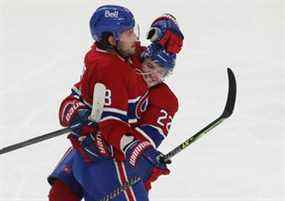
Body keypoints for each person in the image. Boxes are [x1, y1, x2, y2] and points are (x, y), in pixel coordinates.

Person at [48, 4, 184, 201]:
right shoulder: (123, 61)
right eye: (151, 65)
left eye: (162, 71)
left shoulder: (165, 101)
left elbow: (142, 140)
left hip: (113, 161)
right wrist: (76, 113)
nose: (154, 74)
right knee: (60, 194)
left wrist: (138, 154)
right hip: (83, 150)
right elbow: (71, 101)